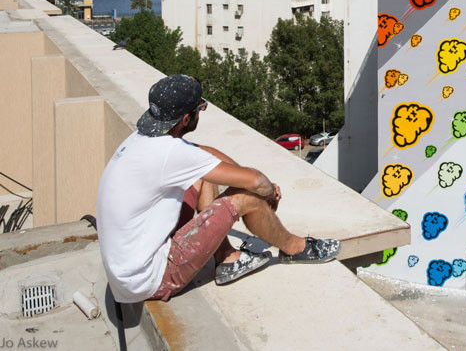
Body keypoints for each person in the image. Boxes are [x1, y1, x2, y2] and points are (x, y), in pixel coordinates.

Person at [97, 74, 340, 303]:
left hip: (128, 269)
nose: (199, 115)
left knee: (207, 177)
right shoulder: (169, 152)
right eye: (198, 110)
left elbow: (204, 154)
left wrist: (247, 178)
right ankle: (295, 249)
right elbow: (255, 182)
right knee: (247, 198)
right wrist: (266, 192)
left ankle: (226, 257)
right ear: (186, 119)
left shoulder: (145, 139)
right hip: (151, 278)